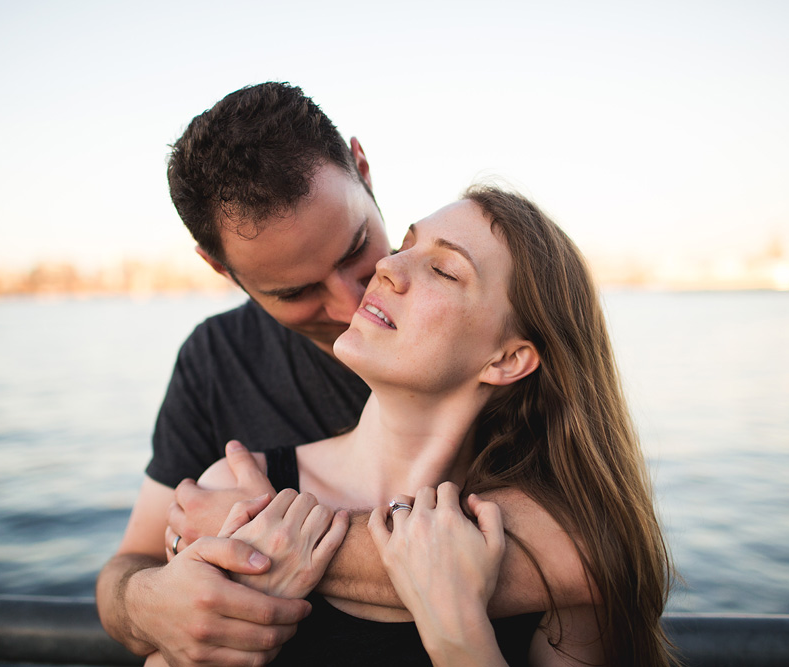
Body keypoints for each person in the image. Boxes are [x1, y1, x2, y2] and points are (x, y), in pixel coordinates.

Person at [96, 83, 596, 666]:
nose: (349, 300)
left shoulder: (520, 402)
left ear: (362, 169)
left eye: (358, 247)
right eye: (296, 292)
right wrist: (150, 603)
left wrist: (286, 538)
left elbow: (592, 551)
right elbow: (135, 562)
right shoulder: (217, 369)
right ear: (220, 267)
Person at [161, 185, 675, 665]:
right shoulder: (231, 491)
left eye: (445, 271)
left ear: (507, 359)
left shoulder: (563, 556)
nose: (386, 267)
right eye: (404, 245)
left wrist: (459, 636)